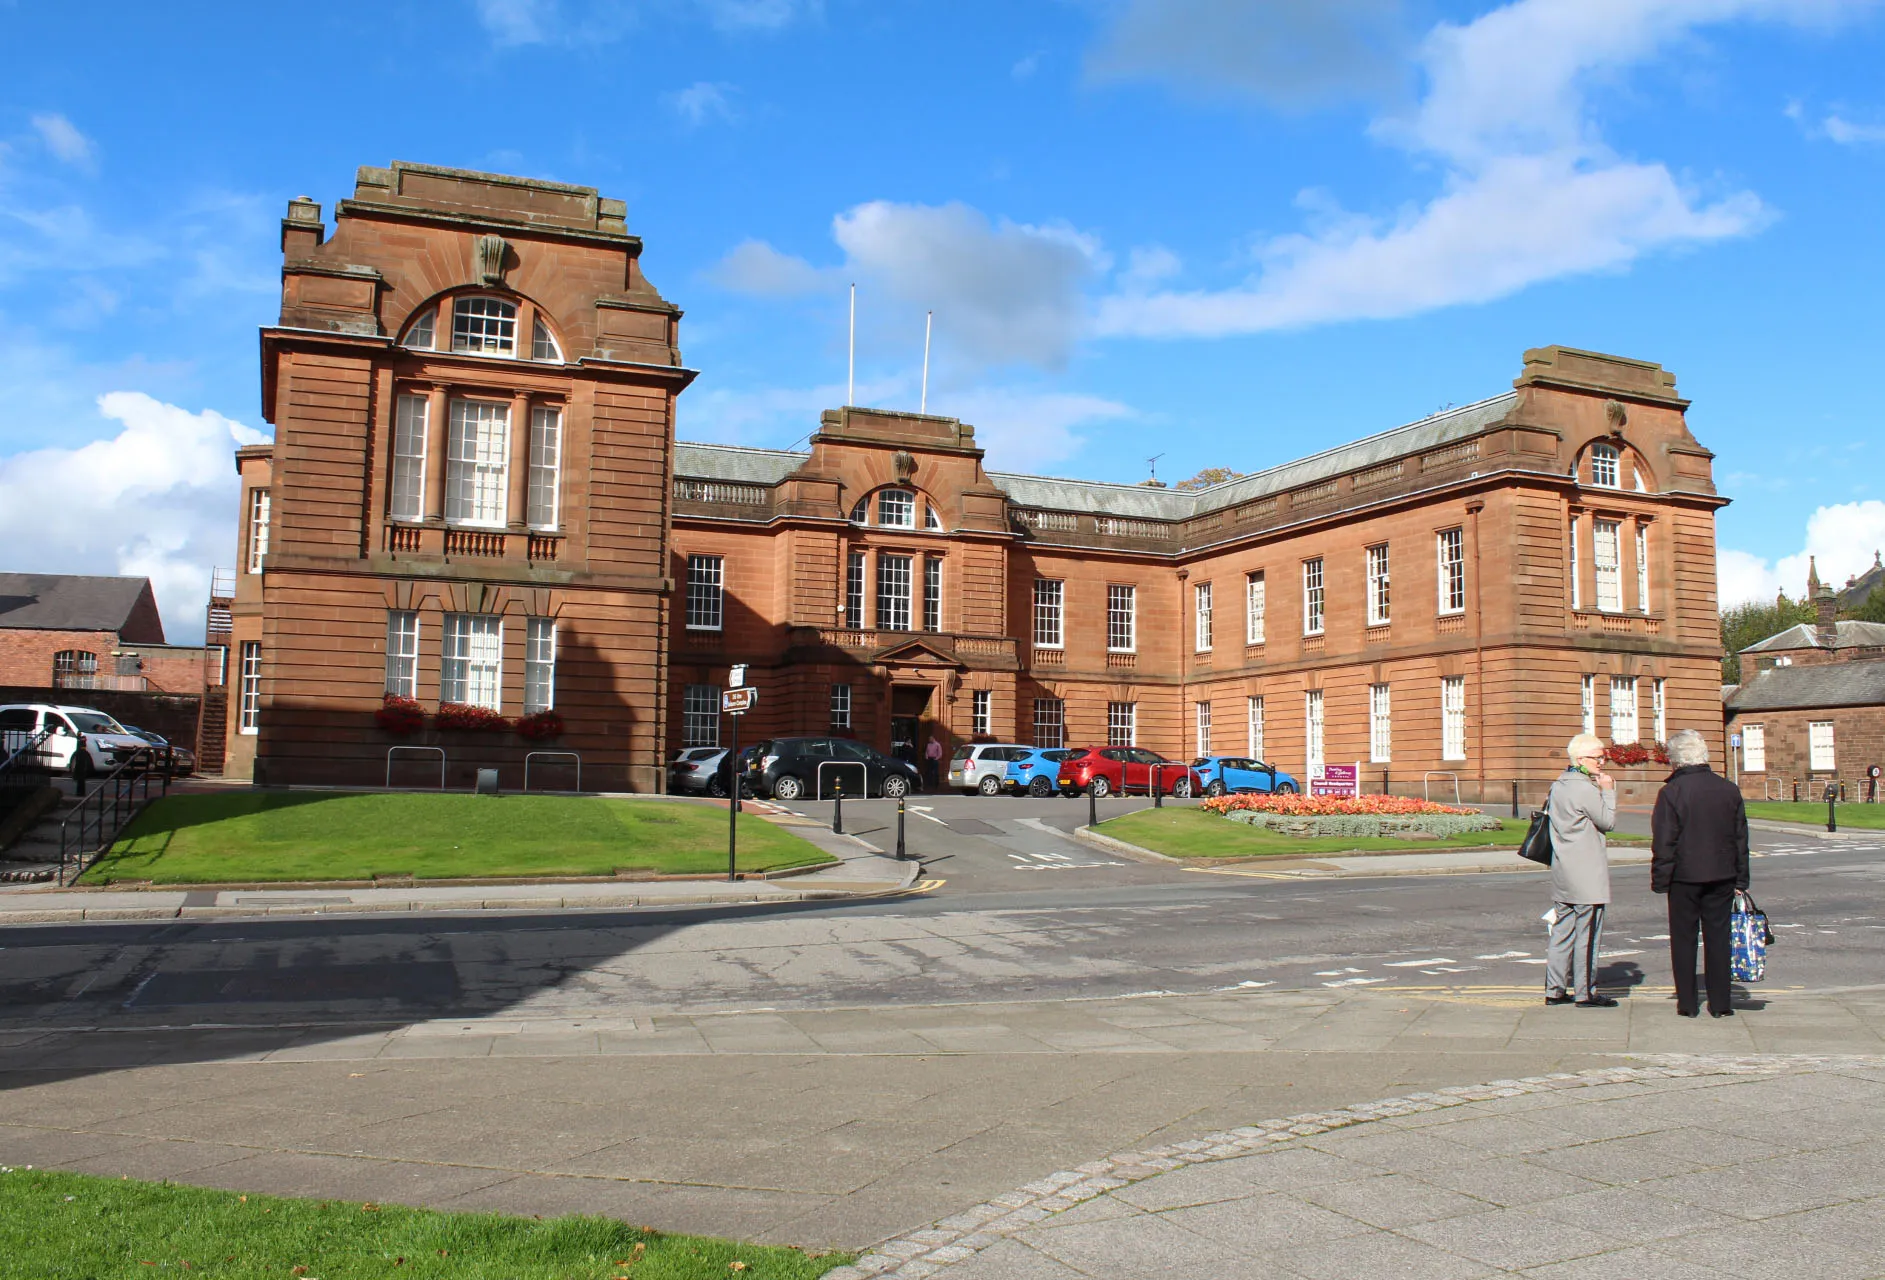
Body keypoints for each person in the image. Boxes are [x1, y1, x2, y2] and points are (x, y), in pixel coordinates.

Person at [1651, 729, 1750, 1018]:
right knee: (1719, 938)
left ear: (1676, 761)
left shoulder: (1671, 792)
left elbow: (1664, 841)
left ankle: (1687, 1003)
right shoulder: (1728, 789)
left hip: (1684, 877)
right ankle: (1720, 1004)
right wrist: (1741, 879)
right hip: (1722, 874)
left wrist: (1660, 879)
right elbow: (1740, 838)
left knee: (1683, 939)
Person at [1544, 733, 1618, 1007]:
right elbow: (1608, 821)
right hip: (1586, 872)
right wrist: (1608, 790)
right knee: (1588, 934)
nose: (1602, 761)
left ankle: (1554, 989)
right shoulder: (1585, 788)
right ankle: (1586, 992)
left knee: (1562, 931)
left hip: (1563, 868)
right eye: (1598, 757)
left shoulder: (1559, 784)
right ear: (1581, 759)